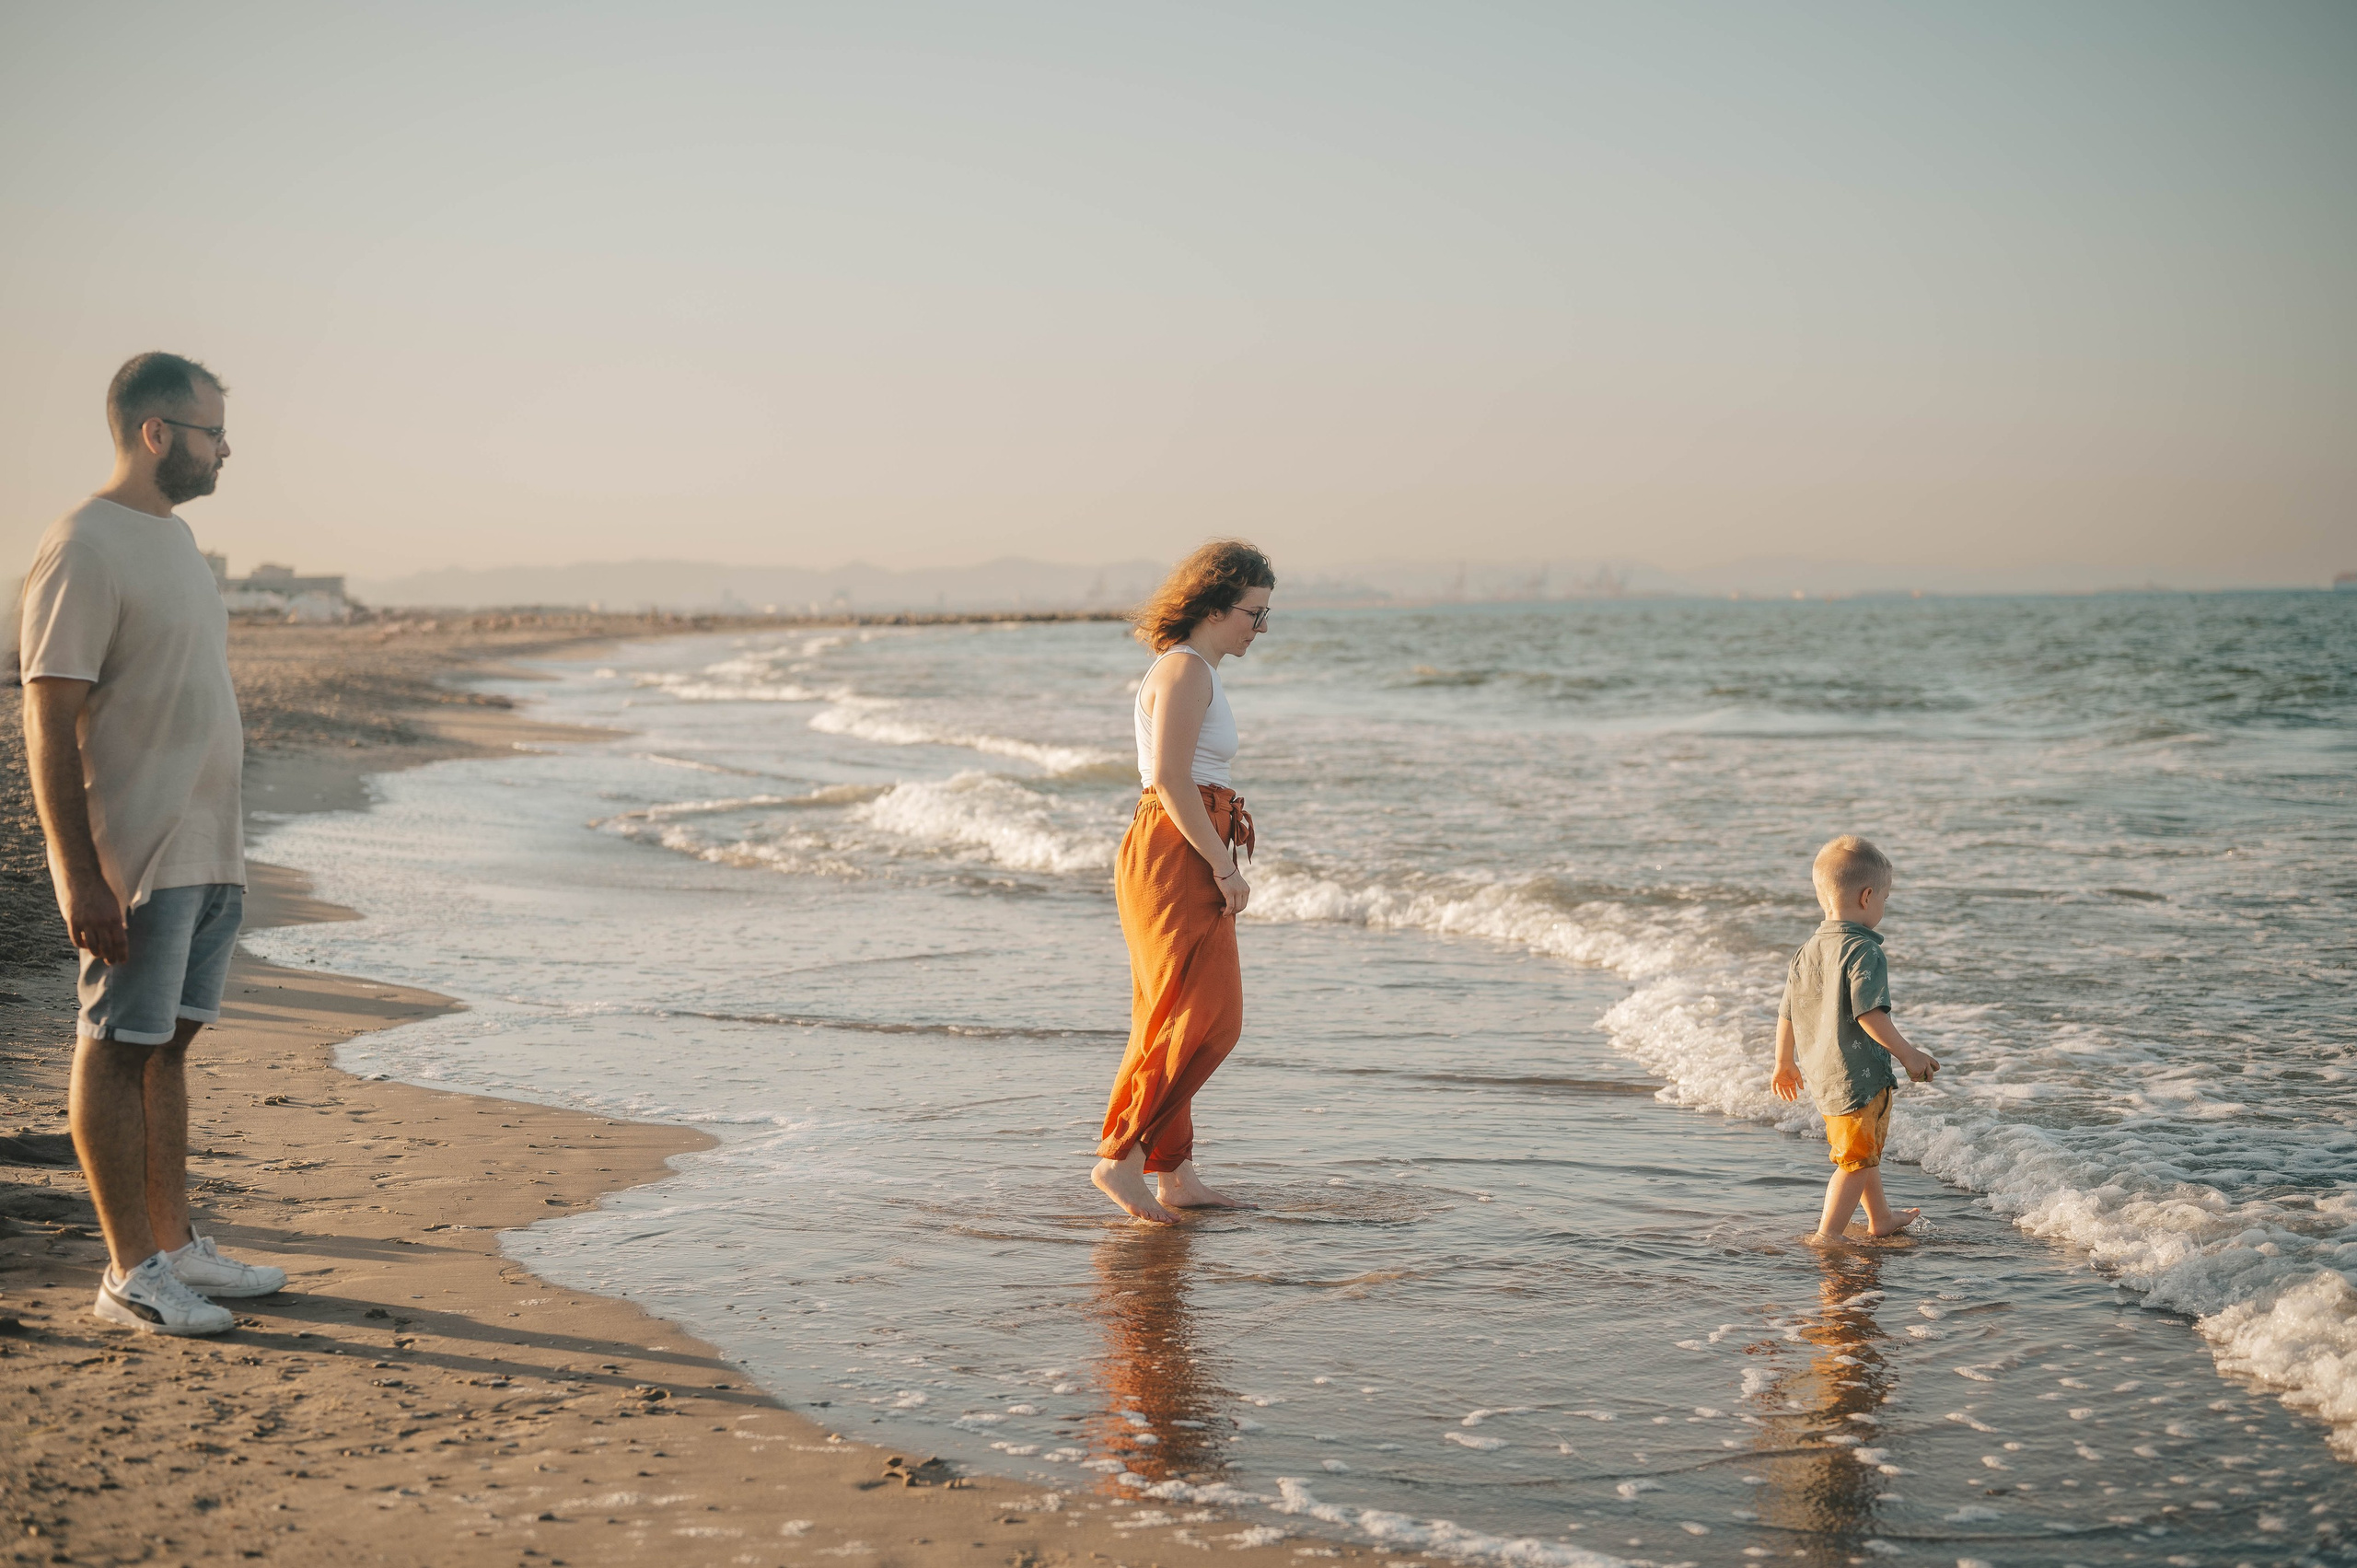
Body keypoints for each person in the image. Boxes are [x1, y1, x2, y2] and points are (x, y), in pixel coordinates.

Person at [18, 352, 287, 1336]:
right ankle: (130, 1269)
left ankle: (174, 1245)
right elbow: (48, 717)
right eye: (214, 431)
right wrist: (77, 870)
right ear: (156, 432)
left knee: (168, 1047)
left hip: (207, 847)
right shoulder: (84, 545)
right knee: (116, 1046)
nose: (226, 449)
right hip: (135, 851)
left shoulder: (173, 541)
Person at [1091, 540, 1275, 1225]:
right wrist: (1223, 866)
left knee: (1172, 1013)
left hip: (1180, 840)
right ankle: (1121, 1154)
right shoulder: (1186, 670)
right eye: (1254, 614)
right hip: (1176, 848)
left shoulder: (1194, 669)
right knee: (1208, 1020)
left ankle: (1174, 1171)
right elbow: (1170, 779)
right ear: (1216, 604)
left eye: (1265, 617)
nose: (1259, 629)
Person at [1770, 834, 1940, 1241]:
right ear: (1867, 897)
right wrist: (1908, 1054)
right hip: (1859, 1078)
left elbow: (1787, 1011)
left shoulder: (1806, 950)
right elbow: (1869, 1013)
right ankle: (1827, 1235)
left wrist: (1783, 1062)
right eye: (1885, 898)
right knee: (1854, 1162)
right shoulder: (1864, 950)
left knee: (1862, 1153)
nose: (1884, 905)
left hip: (1824, 1076)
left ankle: (1879, 1218)